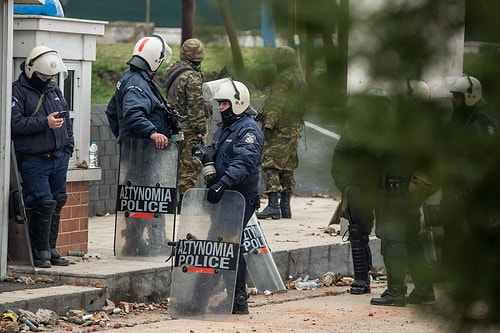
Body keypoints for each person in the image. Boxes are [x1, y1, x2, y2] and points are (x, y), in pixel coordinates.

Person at [106, 35, 181, 256]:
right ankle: (150, 243)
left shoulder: (132, 78)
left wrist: (122, 136)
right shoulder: (137, 83)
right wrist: (152, 133)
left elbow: (112, 110)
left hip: (140, 152)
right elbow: (132, 114)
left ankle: (137, 242)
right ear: (154, 60)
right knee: (152, 196)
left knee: (141, 196)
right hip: (144, 154)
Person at [370, 80, 440, 306]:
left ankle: (396, 291)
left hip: (397, 193)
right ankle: (424, 289)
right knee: (411, 241)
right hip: (409, 193)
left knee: (394, 241)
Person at [198, 77, 264, 314]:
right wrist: (207, 157)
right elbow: (224, 158)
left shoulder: (248, 130)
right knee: (221, 244)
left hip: (240, 196)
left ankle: (237, 301)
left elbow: (244, 162)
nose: (220, 108)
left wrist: (222, 184)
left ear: (237, 103)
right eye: (219, 104)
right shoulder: (225, 127)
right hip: (226, 194)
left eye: (224, 104)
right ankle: (221, 298)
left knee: (229, 245)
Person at [11, 45, 74, 268]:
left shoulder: (54, 90)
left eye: (50, 76)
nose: (47, 80)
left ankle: (51, 247)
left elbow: (66, 121)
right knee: (43, 203)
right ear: (31, 71)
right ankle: (40, 250)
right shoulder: (17, 91)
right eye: (43, 76)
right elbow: (15, 123)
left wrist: (68, 148)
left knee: (58, 201)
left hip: (58, 157)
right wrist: (44, 122)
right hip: (34, 159)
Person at [331, 87, 389, 295]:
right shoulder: (354, 131)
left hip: (386, 192)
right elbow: (338, 162)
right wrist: (347, 187)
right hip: (359, 191)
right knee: (357, 233)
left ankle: (395, 284)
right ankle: (362, 279)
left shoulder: (393, 132)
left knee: (390, 235)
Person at [256, 46, 307, 220]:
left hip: (281, 127)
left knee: (270, 162)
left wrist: (268, 127)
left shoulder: (283, 78)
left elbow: (276, 104)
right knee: (287, 166)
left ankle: (273, 206)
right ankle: (285, 207)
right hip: (294, 128)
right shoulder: (299, 77)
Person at [164, 38, 208, 212]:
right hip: (189, 129)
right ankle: (184, 204)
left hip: (174, 126)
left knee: (175, 166)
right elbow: (196, 107)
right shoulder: (193, 77)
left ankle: (173, 203)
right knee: (189, 166)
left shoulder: (173, 70)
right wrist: (202, 130)